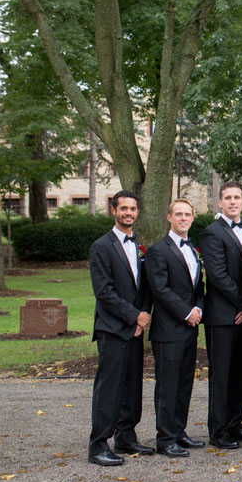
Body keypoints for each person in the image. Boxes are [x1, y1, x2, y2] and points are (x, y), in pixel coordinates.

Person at [87, 191, 153, 466]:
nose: (129, 213)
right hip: (112, 328)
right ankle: (98, 444)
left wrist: (144, 316)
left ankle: (126, 436)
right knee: (110, 387)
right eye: (123, 208)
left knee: (132, 386)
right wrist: (134, 316)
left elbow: (145, 287)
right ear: (113, 210)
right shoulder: (101, 246)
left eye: (133, 208)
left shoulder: (139, 247)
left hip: (135, 327)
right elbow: (104, 292)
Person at [199, 181, 242, 449]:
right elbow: (218, 276)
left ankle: (235, 423)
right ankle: (218, 429)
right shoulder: (212, 233)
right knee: (221, 375)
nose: (233, 202)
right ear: (220, 203)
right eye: (228, 198)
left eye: (237, 197)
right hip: (223, 316)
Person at [147, 199, 205, 458]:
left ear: (192, 218)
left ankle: (179, 431)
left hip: (190, 328)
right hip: (168, 329)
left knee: (184, 384)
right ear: (169, 217)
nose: (183, 218)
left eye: (188, 214)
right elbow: (160, 289)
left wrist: (199, 308)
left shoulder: (193, 249)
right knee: (168, 386)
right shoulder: (158, 250)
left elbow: (198, 286)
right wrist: (186, 312)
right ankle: (165, 438)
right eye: (178, 214)